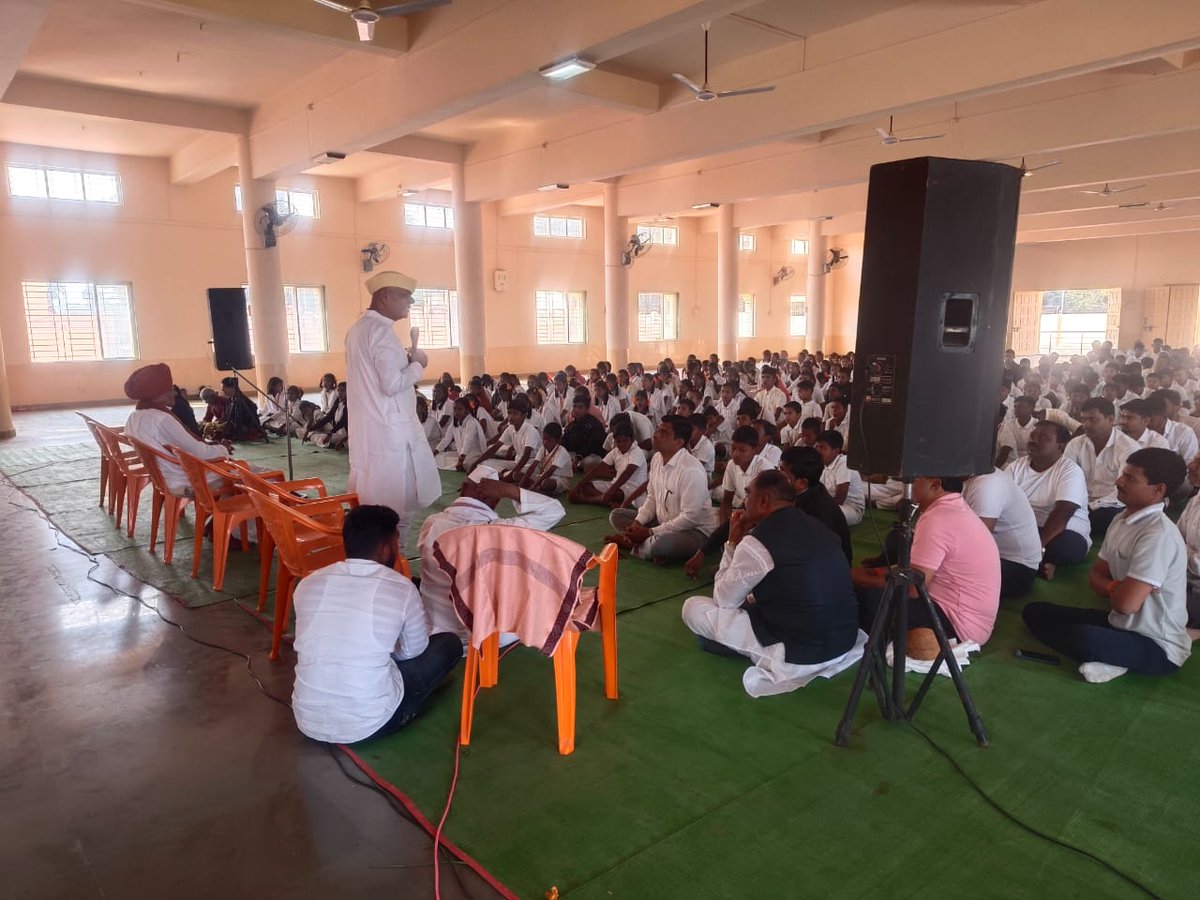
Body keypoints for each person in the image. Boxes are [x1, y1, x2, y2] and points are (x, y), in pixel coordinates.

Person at [291, 505, 462, 743]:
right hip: (371, 723)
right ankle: (405, 707)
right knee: (449, 644)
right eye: (395, 543)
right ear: (385, 548)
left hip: (306, 717)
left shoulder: (308, 583)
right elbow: (413, 651)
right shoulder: (401, 587)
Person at [1023, 448, 1191, 682]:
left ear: (1158, 489)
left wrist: (1116, 590)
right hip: (1118, 623)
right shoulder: (1121, 519)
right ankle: (1113, 654)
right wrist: (1116, 588)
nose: (1119, 481)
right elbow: (1096, 574)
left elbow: (1126, 604)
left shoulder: (1158, 535)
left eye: (1130, 478)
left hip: (1155, 644)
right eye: (1123, 474)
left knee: (1084, 637)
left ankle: (1117, 658)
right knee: (1035, 612)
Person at [680, 470, 861, 687]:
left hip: (799, 654)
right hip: (843, 641)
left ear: (764, 501)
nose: (745, 502)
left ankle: (736, 647)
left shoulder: (757, 541)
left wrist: (731, 544)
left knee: (693, 608)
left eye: (749, 495)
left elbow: (724, 601)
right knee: (750, 598)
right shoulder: (817, 526)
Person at [853, 475, 1001, 659]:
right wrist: (875, 572)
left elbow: (912, 588)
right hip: (971, 622)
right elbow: (913, 567)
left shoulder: (938, 518)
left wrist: (856, 579)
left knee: (868, 599)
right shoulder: (954, 508)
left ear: (935, 484)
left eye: (915, 480)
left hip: (957, 626)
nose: (909, 485)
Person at [345, 270, 441, 544]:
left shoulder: (358, 330)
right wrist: (418, 364)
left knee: (372, 509)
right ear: (384, 296)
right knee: (395, 513)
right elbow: (392, 384)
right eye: (404, 296)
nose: (409, 303)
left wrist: (409, 361)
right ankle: (390, 567)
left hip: (372, 433)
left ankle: (379, 563)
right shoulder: (381, 333)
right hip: (390, 436)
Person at [417, 472, 565, 648]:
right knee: (549, 592)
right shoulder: (502, 531)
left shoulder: (432, 522)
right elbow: (555, 510)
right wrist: (510, 490)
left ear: (463, 488)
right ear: (496, 501)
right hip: (480, 637)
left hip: (431, 628)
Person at [606, 418, 715, 564]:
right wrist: (637, 524)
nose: (656, 435)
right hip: (662, 522)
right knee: (617, 515)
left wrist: (650, 532)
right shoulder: (657, 458)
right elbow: (652, 498)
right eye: (657, 430)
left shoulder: (691, 470)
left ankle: (633, 544)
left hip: (693, 531)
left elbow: (690, 518)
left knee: (661, 544)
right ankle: (648, 545)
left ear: (679, 442)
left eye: (663, 433)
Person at [122, 363, 234, 497]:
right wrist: (223, 448)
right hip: (185, 479)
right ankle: (228, 515)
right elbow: (199, 453)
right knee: (250, 477)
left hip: (163, 476)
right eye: (169, 389)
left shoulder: (134, 416)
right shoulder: (161, 419)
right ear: (156, 393)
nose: (175, 392)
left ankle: (220, 515)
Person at [1009, 421, 1094, 579]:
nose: (1033, 440)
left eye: (1042, 437)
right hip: (1027, 528)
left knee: (1066, 546)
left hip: (1062, 530)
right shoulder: (1016, 467)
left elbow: (1063, 513)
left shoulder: (1070, 471)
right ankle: (1043, 563)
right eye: (1033, 435)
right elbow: (1002, 500)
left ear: (1060, 446)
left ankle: (1036, 559)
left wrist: (1036, 547)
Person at [962, 466, 1042, 598]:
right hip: (994, 557)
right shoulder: (965, 478)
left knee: (938, 577)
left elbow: (975, 546)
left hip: (1017, 567)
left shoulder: (988, 484)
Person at [778, 445, 852, 563]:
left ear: (801, 483)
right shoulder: (808, 491)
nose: (778, 477)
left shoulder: (818, 513)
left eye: (783, 473)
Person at [571, 421, 648, 507]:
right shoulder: (616, 451)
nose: (622, 444)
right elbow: (598, 469)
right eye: (619, 441)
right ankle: (606, 501)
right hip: (615, 483)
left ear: (632, 440)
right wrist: (578, 485)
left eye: (625, 441)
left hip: (633, 488)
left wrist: (610, 491)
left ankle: (586, 500)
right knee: (585, 486)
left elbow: (626, 474)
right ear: (615, 441)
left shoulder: (637, 452)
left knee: (616, 494)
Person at [814, 430, 865, 527]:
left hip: (851, 508)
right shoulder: (822, 464)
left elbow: (839, 499)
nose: (818, 451)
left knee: (822, 513)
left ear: (836, 451)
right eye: (816, 446)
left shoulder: (843, 463)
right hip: (831, 504)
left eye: (822, 447)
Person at [1173, 453, 1200, 631]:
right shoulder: (1196, 500)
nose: (1190, 465)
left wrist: (1181, 553)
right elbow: (1174, 539)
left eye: (1199, 463)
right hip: (1186, 582)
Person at [433, 397, 487, 471]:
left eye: (460, 409)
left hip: (474, 455)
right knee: (438, 457)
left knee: (467, 464)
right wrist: (434, 452)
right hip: (461, 455)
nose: (456, 412)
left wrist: (460, 461)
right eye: (455, 409)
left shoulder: (471, 422)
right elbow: (446, 439)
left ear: (467, 410)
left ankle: (462, 464)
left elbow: (467, 442)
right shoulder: (455, 422)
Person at [522, 422, 573, 495]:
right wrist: (521, 484)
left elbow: (550, 471)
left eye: (549, 440)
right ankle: (540, 489)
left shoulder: (562, 452)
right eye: (544, 439)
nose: (545, 442)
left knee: (545, 483)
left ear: (558, 441)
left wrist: (533, 485)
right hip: (543, 476)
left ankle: (540, 488)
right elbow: (533, 466)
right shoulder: (543, 448)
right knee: (518, 475)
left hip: (559, 479)